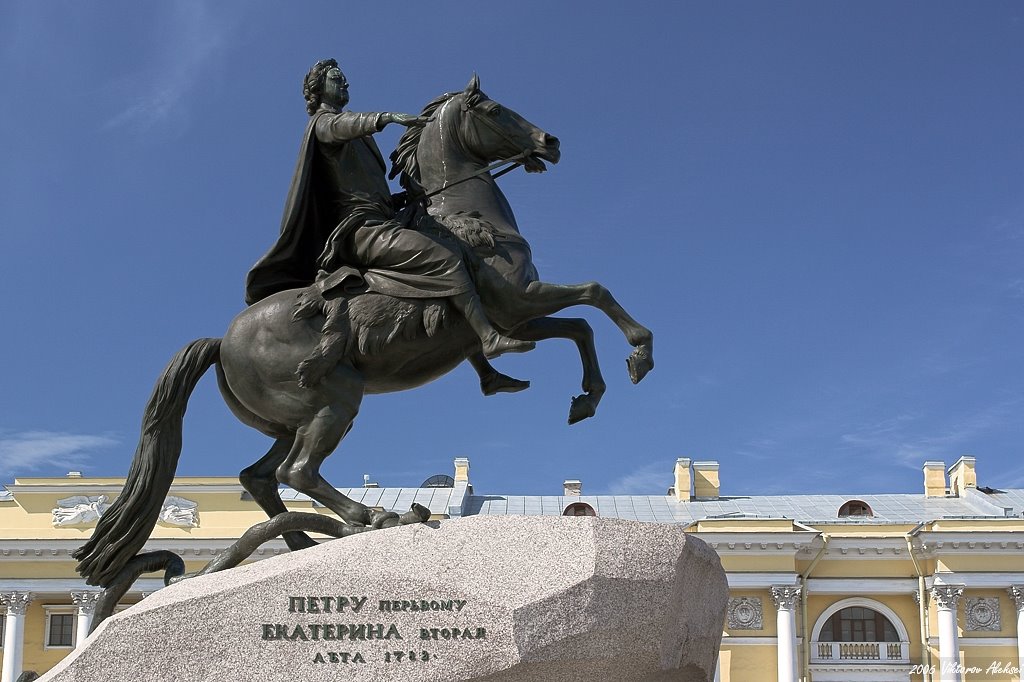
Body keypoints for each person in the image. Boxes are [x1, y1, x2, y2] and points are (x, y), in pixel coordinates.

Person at [245, 59, 533, 361]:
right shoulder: (323, 124)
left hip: (381, 219)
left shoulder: (358, 138)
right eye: (336, 78)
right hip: (361, 231)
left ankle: (485, 373)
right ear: (318, 90)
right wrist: (384, 118)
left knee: (456, 246)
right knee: (444, 259)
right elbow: (339, 127)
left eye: (345, 78)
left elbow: (366, 190)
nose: (344, 83)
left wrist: (400, 199)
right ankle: (487, 339)